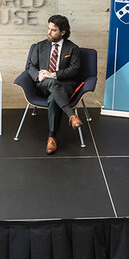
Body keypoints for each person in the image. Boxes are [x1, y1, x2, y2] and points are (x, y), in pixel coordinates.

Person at [24, 14, 82, 154]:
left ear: (63, 32)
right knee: (52, 85)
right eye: (49, 28)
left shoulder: (72, 48)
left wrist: (54, 74)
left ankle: (52, 138)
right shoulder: (39, 46)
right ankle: (71, 115)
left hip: (64, 85)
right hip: (43, 84)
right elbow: (30, 66)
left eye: (53, 30)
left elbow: (74, 70)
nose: (49, 32)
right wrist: (39, 75)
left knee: (53, 97)